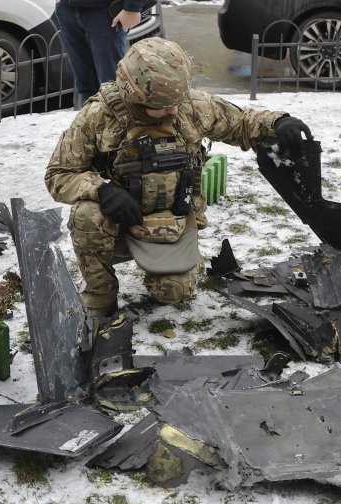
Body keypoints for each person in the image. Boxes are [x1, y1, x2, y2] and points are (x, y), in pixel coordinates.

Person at [45, 37, 312, 317]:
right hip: (118, 225)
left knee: (174, 291)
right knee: (87, 214)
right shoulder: (98, 116)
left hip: (174, 221)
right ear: (134, 96)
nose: (173, 110)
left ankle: (171, 267)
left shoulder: (190, 106)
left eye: (177, 101)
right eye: (162, 105)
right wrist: (102, 190)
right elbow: (58, 174)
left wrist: (278, 123)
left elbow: (241, 123)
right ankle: (100, 296)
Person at [55, 0, 144, 105]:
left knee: (112, 86)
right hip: (68, 9)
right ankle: (90, 114)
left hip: (104, 11)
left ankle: (114, 115)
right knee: (85, 85)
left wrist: (132, 7)